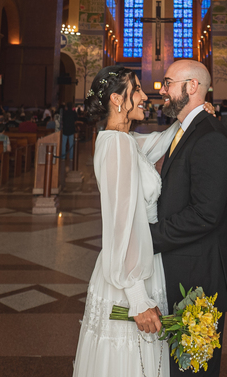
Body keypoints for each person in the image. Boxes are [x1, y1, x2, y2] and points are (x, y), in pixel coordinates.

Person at [73, 66, 180, 376]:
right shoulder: (118, 145)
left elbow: (158, 142)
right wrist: (137, 299)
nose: (145, 96)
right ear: (118, 99)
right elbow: (121, 224)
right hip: (130, 274)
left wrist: (190, 117)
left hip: (134, 262)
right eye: (137, 91)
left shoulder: (119, 140)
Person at [151, 59, 227, 376]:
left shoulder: (210, 137)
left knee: (193, 371)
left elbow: (205, 214)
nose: (162, 89)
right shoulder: (187, 130)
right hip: (181, 268)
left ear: (193, 87)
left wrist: (148, 237)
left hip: (198, 277)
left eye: (168, 82)